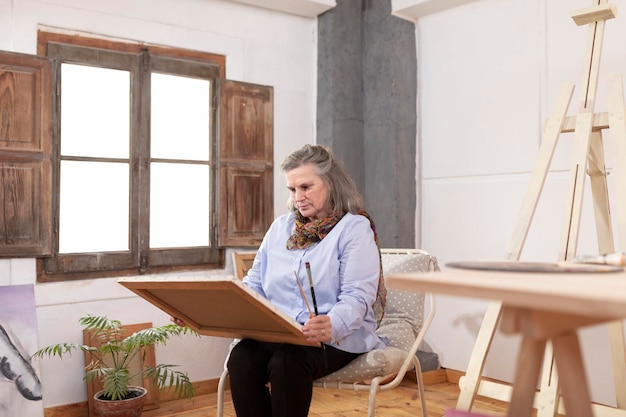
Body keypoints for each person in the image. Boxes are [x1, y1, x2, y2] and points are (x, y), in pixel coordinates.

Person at [174, 144, 387, 417]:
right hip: (283, 332)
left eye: (306, 187)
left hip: (336, 338)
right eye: (292, 189)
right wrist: (201, 312)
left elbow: (358, 296)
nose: (298, 197)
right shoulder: (281, 228)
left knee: (288, 362)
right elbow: (254, 284)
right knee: (241, 358)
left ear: (331, 183)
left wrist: (334, 323)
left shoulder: (354, 228)